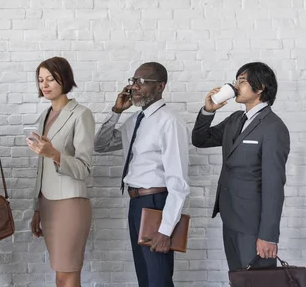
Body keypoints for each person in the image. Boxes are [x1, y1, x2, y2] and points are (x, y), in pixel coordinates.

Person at [94, 62, 190, 287]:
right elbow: (100, 145)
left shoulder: (169, 122)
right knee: (145, 278)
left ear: (160, 86)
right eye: (133, 81)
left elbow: (179, 182)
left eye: (141, 82)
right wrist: (117, 112)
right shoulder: (135, 121)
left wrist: (166, 230)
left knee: (158, 279)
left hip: (157, 203)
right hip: (136, 203)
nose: (135, 87)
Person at [192, 62, 290, 271]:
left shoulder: (273, 127)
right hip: (230, 218)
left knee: (259, 283)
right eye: (236, 80)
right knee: (237, 280)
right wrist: (208, 111)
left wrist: (268, 236)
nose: (236, 86)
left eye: (242, 81)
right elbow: (200, 139)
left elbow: (274, 186)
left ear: (261, 86)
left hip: (254, 225)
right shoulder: (235, 119)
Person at [27, 57, 95, 287]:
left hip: (70, 203)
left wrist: (54, 154)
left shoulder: (81, 114)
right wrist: (37, 207)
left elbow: (84, 167)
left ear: (64, 79)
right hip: (48, 204)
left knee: (68, 271)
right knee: (59, 271)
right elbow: (41, 168)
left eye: (51, 79)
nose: (44, 85)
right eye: (40, 80)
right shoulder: (43, 118)